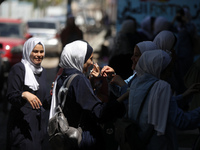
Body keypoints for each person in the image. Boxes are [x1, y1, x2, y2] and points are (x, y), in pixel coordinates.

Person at [49, 40, 125, 150]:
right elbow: (99, 113)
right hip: (83, 139)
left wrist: (90, 83)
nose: (92, 63)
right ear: (79, 58)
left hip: (68, 137)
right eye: (90, 59)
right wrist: (123, 97)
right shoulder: (79, 80)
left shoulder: (62, 77)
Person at [128, 50, 200, 150]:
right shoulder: (161, 88)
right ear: (158, 69)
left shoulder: (136, 84)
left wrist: (183, 96)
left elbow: (159, 104)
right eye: (168, 70)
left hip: (138, 142)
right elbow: (181, 121)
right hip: (159, 144)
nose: (169, 75)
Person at [6, 37, 51, 150]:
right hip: (22, 128)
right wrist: (24, 94)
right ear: (27, 51)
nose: (39, 55)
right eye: (35, 51)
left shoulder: (43, 72)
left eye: (41, 51)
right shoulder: (19, 69)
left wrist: (54, 93)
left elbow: (43, 102)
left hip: (38, 128)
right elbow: (11, 95)